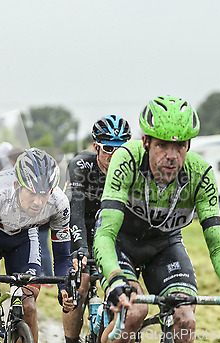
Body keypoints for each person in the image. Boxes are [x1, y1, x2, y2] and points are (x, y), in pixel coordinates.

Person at [93, 96, 220, 343]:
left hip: (164, 247)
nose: (172, 156)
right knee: (134, 312)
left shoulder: (200, 174)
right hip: (121, 243)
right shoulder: (127, 160)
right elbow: (105, 234)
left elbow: (218, 245)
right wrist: (114, 279)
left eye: (180, 147)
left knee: (185, 319)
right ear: (145, 141)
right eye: (163, 145)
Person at [0, 148, 72, 343]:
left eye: (44, 194)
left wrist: (65, 288)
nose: (38, 201)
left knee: (29, 305)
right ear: (16, 185)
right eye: (32, 192)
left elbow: (62, 257)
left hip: (24, 236)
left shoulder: (58, 203)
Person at [62, 114, 132, 343]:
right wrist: (81, 249)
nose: (115, 156)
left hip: (112, 231)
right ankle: (71, 340)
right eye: (108, 149)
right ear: (96, 147)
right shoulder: (81, 165)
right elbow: (76, 212)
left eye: (121, 149)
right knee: (80, 285)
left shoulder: (132, 169)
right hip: (81, 225)